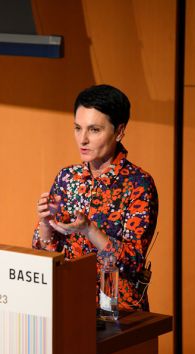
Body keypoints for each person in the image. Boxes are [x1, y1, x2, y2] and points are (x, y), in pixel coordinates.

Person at [33, 84, 158, 311]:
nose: (83, 139)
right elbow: (44, 254)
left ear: (119, 131)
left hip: (116, 309)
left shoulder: (138, 184)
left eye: (94, 130)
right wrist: (45, 223)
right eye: (77, 128)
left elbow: (133, 263)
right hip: (68, 300)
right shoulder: (67, 177)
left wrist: (89, 229)